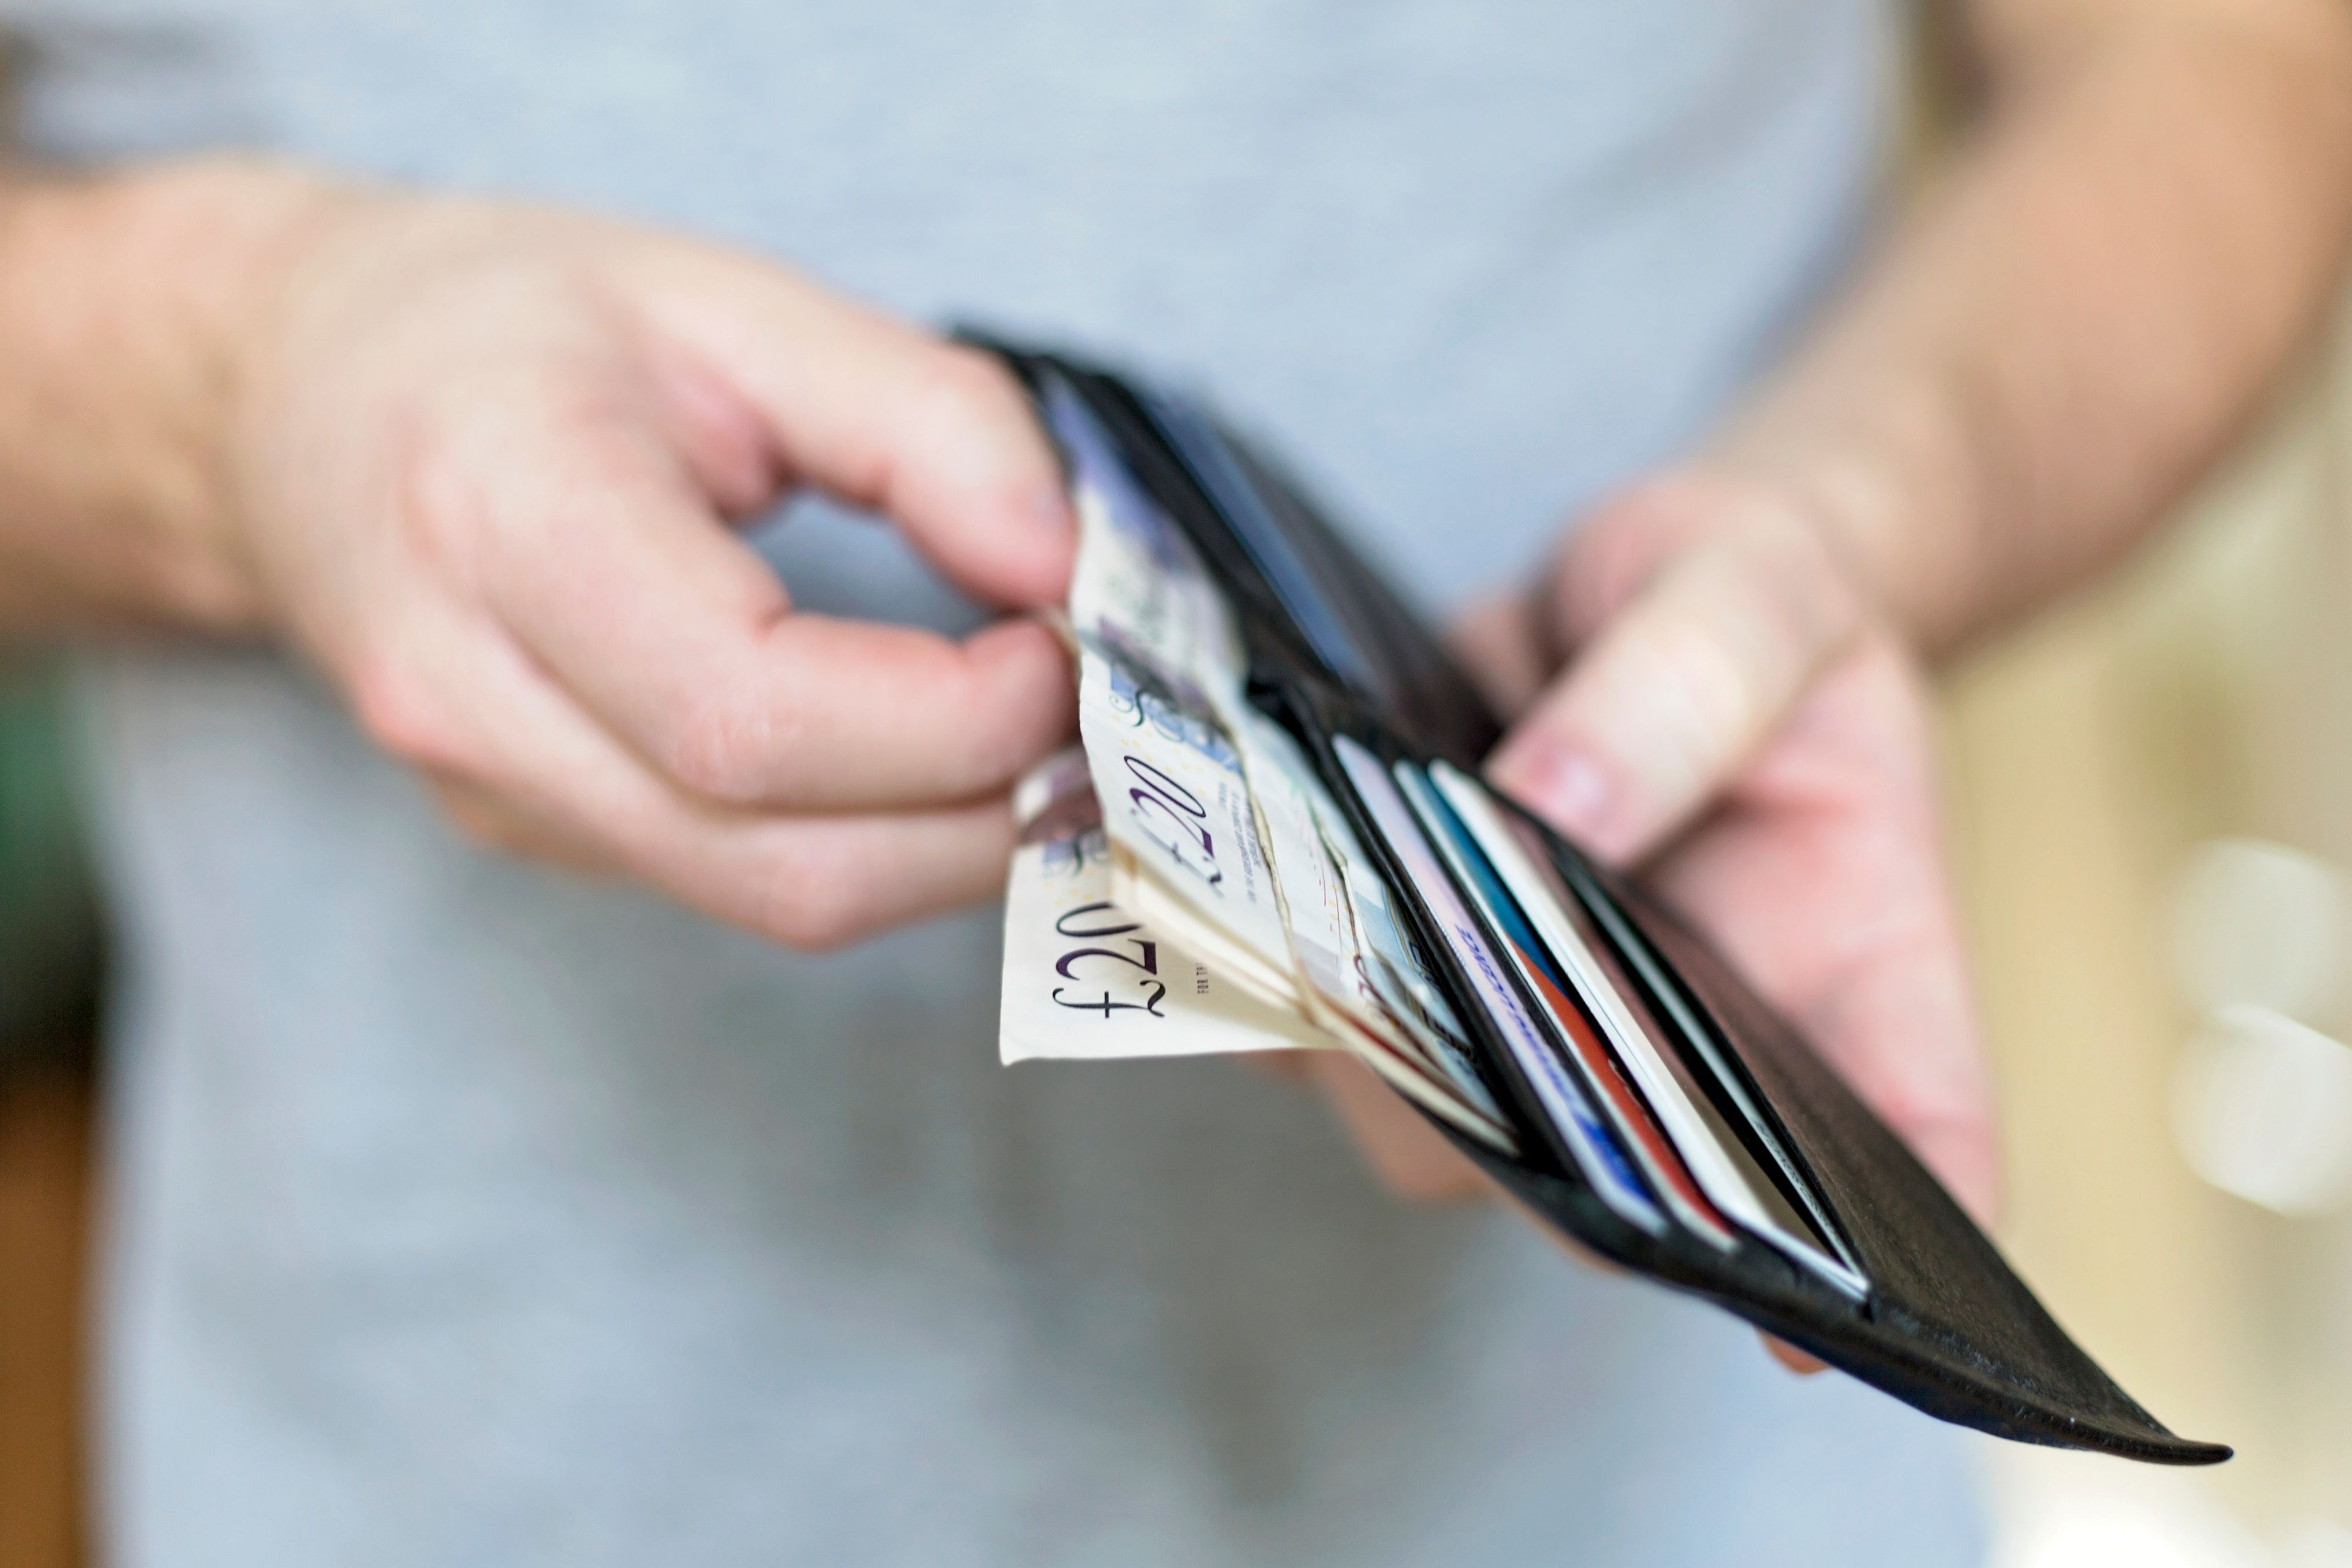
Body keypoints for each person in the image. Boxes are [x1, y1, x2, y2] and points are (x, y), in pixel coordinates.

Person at [2, 0, 2347, 1562]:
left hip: (1680, 1480)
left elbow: (2227, 69)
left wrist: (1860, 513)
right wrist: (232, 393)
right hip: (427, 1471)